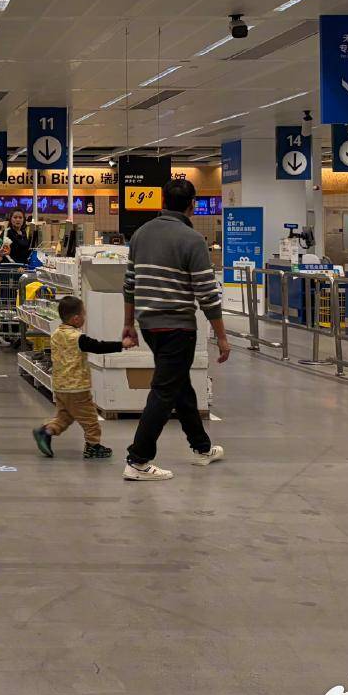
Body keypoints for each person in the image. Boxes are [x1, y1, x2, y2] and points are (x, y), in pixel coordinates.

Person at [121, 178, 230, 481]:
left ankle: (202, 448)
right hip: (178, 326)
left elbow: (129, 285)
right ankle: (138, 460)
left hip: (149, 325)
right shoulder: (192, 239)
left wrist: (128, 324)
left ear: (162, 202)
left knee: (179, 385)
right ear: (192, 205)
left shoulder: (141, 234)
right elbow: (207, 294)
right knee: (165, 390)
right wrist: (222, 337)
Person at [32, 295, 124, 460]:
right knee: (90, 420)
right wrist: (121, 345)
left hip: (60, 386)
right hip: (77, 388)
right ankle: (93, 447)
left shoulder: (56, 334)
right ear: (76, 319)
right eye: (83, 314)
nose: (84, 318)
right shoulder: (78, 337)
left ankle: (46, 431)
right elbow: (98, 346)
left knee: (64, 417)